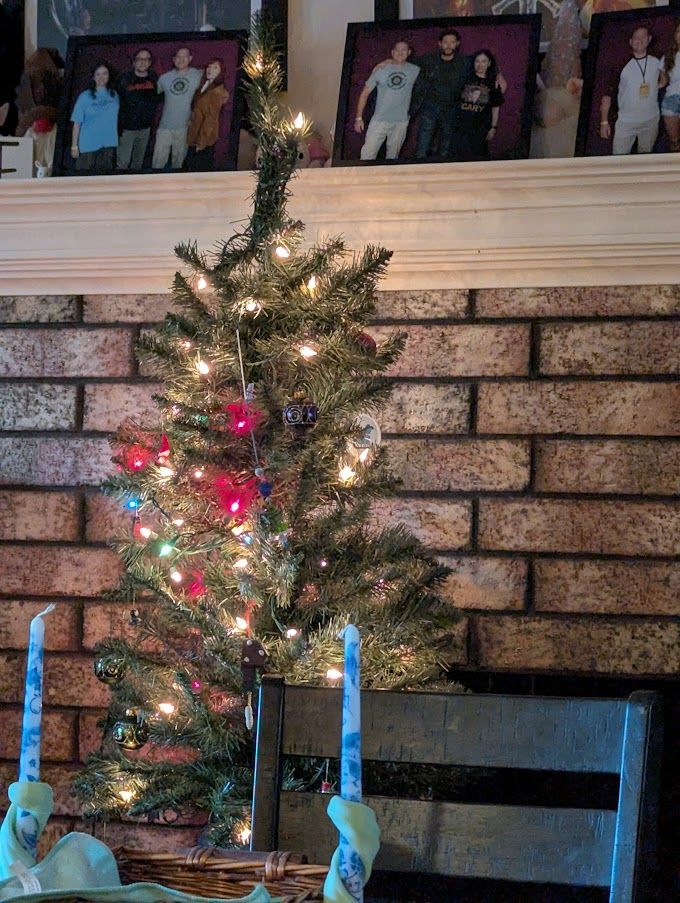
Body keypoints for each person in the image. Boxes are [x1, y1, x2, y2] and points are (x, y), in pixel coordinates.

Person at [599, 25, 663, 155]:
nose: (639, 40)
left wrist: (658, 86)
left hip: (650, 120)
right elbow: (607, 95)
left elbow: (664, 76)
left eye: (643, 37)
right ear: (630, 42)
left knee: (645, 158)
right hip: (626, 122)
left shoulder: (657, 60)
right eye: (636, 37)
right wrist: (604, 122)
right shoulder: (620, 64)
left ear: (649, 39)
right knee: (619, 161)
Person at [353, 39, 420, 161]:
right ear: (392, 52)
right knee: (367, 156)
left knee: (392, 158)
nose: (400, 52)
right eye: (397, 50)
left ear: (409, 52)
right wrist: (358, 118)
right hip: (379, 120)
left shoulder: (415, 70)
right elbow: (364, 94)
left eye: (404, 50)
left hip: (400, 122)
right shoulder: (381, 69)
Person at [152, 47, 202, 170]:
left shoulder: (199, 75)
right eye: (178, 57)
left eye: (184, 56)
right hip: (165, 127)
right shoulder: (164, 78)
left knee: (178, 164)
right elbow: (150, 96)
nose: (181, 60)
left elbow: (214, 82)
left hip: (184, 127)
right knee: (157, 163)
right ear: (174, 60)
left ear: (190, 58)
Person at [454, 49, 503, 161]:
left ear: (489, 63)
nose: (480, 65)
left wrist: (493, 127)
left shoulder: (493, 83)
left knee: (478, 159)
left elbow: (496, 107)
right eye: (477, 61)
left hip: (481, 128)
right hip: (461, 127)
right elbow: (455, 100)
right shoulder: (465, 78)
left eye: (483, 61)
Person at [116, 48, 161, 171]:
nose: (143, 62)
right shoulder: (124, 78)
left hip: (145, 130)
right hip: (127, 130)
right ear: (134, 62)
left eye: (146, 59)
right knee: (122, 162)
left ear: (150, 62)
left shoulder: (154, 78)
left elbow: (160, 98)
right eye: (140, 59)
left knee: (138, 163)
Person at [70, 61, 119, 173]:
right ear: (93, 77)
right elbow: (77, 123)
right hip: (88, 146)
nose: (101, 77)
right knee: (84, 181)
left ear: (109, 75)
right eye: (98, 74)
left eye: (104, 73)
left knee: (104, 182)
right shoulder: (84, 96)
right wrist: (74, 146)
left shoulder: (114, 95)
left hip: (108, 144)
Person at [185, 58, 230, 171]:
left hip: (203, 139)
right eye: (209, 66)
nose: (210, 69)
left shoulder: (217, 92)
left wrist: (201, 142)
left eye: (215, 67)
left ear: (221, 71)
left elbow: (211, 119)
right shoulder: (205, 85)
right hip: (195, 133)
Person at [660, 20, 680, 153]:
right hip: (671, 100)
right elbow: (662, 82)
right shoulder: (667, 57)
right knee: (674, 141)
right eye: (679, 31)